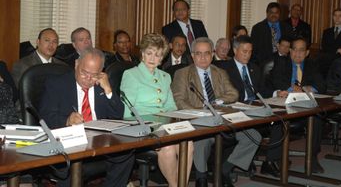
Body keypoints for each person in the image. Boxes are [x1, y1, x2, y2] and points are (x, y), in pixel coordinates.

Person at [172, 37, 261, 187]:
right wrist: (202, 112)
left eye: (207, 53)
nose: (203, 57)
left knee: (254, 136)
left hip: (222, 118)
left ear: (212, 55)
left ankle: (225, 169)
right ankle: (201, 177)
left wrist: (217, 102)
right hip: (199, 120)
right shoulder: (182, 73)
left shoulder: (219, 72)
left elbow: (233, 94)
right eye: (198, 54)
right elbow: (179, 101)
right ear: (192, 55)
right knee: (202, 140)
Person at [39, 48, 134, 186]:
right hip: (71, 142)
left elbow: (117, 115)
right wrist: (66, 120)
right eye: (84, 73)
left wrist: (108, 91)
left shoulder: (102, 84)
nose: (88, 79)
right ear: (76, 64)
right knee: (67, 168)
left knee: (126, 154)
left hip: (99, 141)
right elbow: (45, 117)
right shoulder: (56, 84)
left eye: (94, 75)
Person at [120, 33, 193, 187]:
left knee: (188, 143)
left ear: (162, 58)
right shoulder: (131, 75)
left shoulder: (165, 76)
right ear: (142, 54)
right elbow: (127, 110)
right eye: (149, 53)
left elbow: (171, 106)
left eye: (158, 55)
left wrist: (176, 123)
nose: (153, 58)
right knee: (168, 148)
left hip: (165, 124)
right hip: (142, 126)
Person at [216, 35, 282, 177]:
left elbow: (261, 90)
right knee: (252, 133)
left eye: (250, 51)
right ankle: (227, 168)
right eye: (244, 51)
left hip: (255, 107)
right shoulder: (224, 69)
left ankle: (269, 162)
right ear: (234, 50)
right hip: (238, 110)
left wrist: (276, 93)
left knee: (279, 121)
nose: (247, 55)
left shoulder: (254, 68)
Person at [270, 37, 325, 173]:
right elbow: (275, 81)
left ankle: (312, 157)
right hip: (285, 105)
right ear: (289, 50)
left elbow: (322, 85)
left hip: (305, 106)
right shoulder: (281, 62)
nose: (297, 53)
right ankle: (275, 159)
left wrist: (308, 88)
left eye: (301, 50)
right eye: (294, 49)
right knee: (278, 120)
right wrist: (290, 89)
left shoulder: (312, 65)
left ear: (307, 53)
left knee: (317, 117)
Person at [318, 8, 341, 77]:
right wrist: (338, 49)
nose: (337, 18)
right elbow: (324, 47)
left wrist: (340, 50)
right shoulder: (326, 32)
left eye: (340, 16)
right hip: (326, 64)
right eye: (335, 15)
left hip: (340, 65)